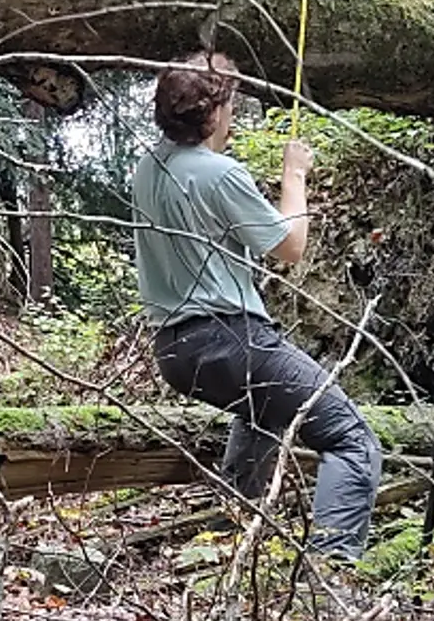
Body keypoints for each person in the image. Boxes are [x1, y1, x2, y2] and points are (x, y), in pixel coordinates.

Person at [131, 54, 381, 557]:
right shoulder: (220, 173)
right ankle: (332, 568)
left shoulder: (148, 168)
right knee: (353, 441)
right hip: (229, 339)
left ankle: (226, 548)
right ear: (215, 111)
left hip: (175, 352)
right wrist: (295, 175)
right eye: (231, 102)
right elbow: (289, 247)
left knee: (263, 413)